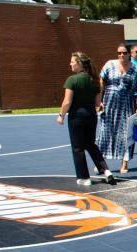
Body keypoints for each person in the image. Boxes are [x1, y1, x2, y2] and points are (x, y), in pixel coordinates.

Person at [56, 52, 115, 186]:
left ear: (79, 63)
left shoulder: (72, 80)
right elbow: (97, 103)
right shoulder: (94, 80)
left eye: (72, 61)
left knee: (78, 148)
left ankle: (84, 177)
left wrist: (61, 115)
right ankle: (106, 171)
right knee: (91, 144)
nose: (70, 64)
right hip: (91, 116)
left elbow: (67, 101)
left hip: (77, 117)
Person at [96, 43, 137, 174]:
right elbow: (101, 82)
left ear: (129, 54)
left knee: (127, 135)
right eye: (119, 53)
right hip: (109, 106)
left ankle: (125, 163)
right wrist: (99, 101)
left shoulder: (135, 69)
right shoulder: (109, 65)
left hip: (127, 106)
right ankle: (100, 163)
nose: (121, 55)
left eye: (124, 53)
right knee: (104, 133)